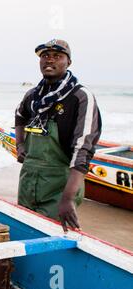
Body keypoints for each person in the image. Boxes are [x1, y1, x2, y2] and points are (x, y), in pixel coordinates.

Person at [15, 39, 102, 232]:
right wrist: (20, 145)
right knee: (24, 232)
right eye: (45, 56)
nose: (49, 60)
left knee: (51, 236)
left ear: (68, 62)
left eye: (57, 56)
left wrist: (67, 199)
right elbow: (20, 116)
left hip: (59, 186)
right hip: (28, 182)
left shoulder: (80, 97)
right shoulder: (33, 95)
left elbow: (83, 150)